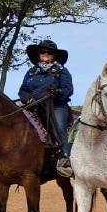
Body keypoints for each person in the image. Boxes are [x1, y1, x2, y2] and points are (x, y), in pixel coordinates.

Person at [18, 39, 75, 177]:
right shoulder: (31, 72)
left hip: (56, 106)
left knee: (60, 126)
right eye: (42, 51)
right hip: (33, 107)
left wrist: (57, 93)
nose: (45, 54)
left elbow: (68, 89)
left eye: (49, 52)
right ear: (38, 54)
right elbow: (22, 90)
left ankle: (65, 159)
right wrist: (27, 98)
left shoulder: (62, 71)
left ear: (54, 55)